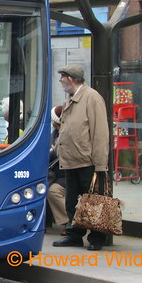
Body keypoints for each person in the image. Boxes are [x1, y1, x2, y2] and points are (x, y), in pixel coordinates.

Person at [52, 64, 111, 251]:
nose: (60, 81)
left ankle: (97, 237)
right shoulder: (70, 99)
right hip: (70, 161)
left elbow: (100, 133)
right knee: (71, 202)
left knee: (93, 201)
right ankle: (74, 234)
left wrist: (100, 164)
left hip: (87, 161)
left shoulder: (92, 97)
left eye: (62, 77)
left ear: (70, 79)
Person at [47, 105, 70, 234]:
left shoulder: (65, 134)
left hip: (65, 175)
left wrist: (53, 151)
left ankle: (69, 222)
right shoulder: (54, 133)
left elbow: (57, 153)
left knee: (53, 191)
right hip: (57, 174)